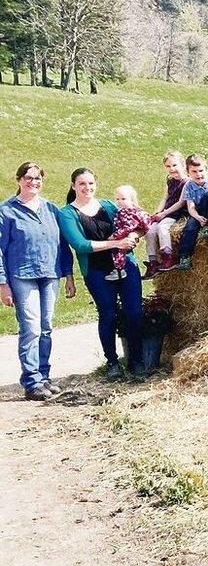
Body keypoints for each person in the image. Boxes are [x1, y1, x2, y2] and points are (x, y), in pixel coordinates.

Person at [56, 168, 146, 380]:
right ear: (73, 186)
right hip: (97, 271)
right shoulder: (67, 213)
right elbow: (80, 244)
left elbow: (136, 222)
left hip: (126, 265)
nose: (87, 188)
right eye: (82, 184)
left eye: (90, 183)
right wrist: (116, 243)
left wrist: (134, 234)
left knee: (134, 313)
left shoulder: (108, 205)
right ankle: (112, 361)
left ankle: (136, 359)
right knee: (108, 315)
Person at [0, 163, 76, 400]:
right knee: (31, 328)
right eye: (28, 177)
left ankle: (44, 376)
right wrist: (3, 283)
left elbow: (63, 245)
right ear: (18, 179)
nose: (33, 182)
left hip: (50, 273)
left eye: (38, 178)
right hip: (22, 275)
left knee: (46, 327)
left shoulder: (51, 209)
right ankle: (31, 381)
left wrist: (69, 276)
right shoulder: (7, 211)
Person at [172, 154, 208, 271]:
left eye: (201, 170)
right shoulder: (189, 186)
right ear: (188, 173)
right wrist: (198, 217)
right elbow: (191, 206)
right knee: (189, 228)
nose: (198, 174)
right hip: (198, 212)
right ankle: (185, 257)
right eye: (194, 171)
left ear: (206, 169)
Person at [144, 151, 188, 275]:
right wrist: (158, 211)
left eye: (174, 165)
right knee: (150, 229)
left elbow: (181, 203)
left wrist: (164, 214)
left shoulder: (187, 182)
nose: (172, 169)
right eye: (168, 166)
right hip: (166, 212)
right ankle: (153, 261)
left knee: (162, 227)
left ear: (183, 165)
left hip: (178, 213)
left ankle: (168, 257)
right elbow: (165, 197)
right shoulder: (170, 180)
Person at [109, 185, 153, 280]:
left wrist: (115, 236)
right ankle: (118, 269)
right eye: (117, 199)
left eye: (123, 199)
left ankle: (120, 270)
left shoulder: (131, 213)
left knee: (118, 252)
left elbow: (128, 227)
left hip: (124, 236)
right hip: (122, 235)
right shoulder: (123, 211)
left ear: (132, 200)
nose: (120, 201)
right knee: (116, 251)